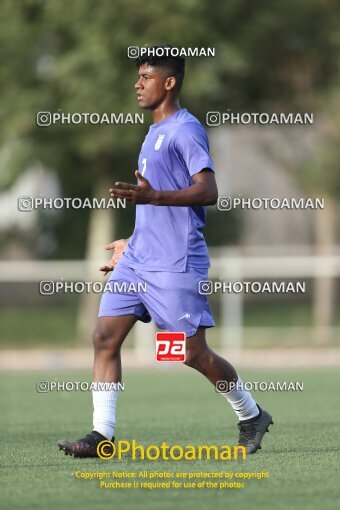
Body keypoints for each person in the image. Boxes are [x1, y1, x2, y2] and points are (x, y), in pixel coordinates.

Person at [58, 45, 273, 458]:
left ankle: (250, 413)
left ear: (169, 83)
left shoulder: (185, 129)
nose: (137, 84)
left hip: (176, 262)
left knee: (190, 354)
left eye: (146, 77)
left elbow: (208, 191)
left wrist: (154, 197)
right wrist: (131, 241)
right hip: (139, 259)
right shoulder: (153, 131)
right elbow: (153, 207)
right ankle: (101, 436)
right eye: (137, 76)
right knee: (104, 337)